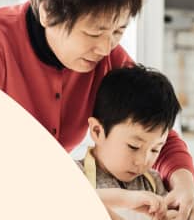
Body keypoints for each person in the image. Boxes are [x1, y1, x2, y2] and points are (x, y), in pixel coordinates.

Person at [0, 0, 194, 219]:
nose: (105, 47)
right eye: (93, 32)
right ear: (47, 10)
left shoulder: (108, 59)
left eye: (118, 31)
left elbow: (153, 132)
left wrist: (184, 186)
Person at [77, 65, 181, 220]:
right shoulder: (75, 173)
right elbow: (63, 199)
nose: (143, 161)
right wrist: (125, 199)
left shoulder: (154, 182)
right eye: (134, 146)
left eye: (155, 150)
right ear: (97, 131)